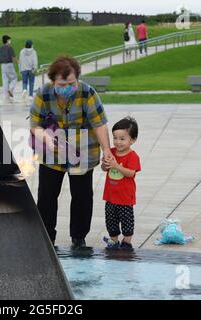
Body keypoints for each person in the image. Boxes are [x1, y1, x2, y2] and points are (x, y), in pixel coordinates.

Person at [30, 55, 113, 249]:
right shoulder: (43, 94)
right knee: (46, 196)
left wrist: (106, 150)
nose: (67, 86)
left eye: (71, 82)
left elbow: (99, 123)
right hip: (52, 152)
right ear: (53, 81)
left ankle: (79, 237)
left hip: (82, 151)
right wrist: (48, 139)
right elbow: (35, 125)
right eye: (62, 83)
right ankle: (47, 237)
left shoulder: (87, 92)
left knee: (82, 196)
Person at [101, 117, 141, 250]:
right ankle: (113, 240)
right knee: (111, 219)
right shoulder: (111, 152)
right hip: (110, 196)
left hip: (125, 197)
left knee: (126, 220)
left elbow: (131, 173)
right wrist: (105, 164)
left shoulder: (132, 156)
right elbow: (104, 168)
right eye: (115, 138)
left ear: (132, 140)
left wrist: (116, 165)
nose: (118, 142)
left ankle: (127, 241)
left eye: (122, 139)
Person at [0, 35, 18, 102]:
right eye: (9, 40)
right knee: (14, 78)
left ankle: (6, 96)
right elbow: (13, 57)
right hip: (9, 64)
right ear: (7, 40)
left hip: (2, 65)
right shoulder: (9, 48)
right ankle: (10, 89)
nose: (10, 41)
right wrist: (18, 62)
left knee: (5, 80)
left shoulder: (0, 48)